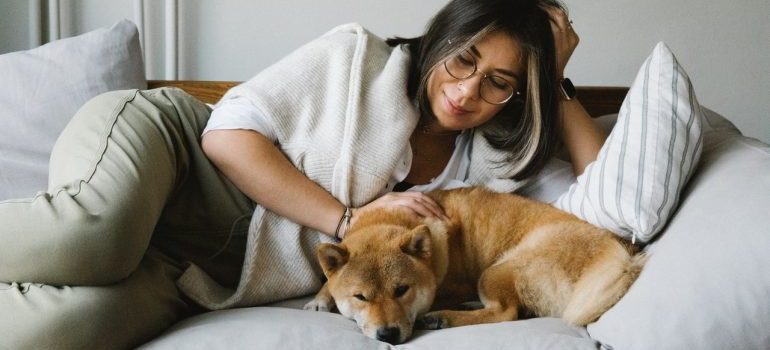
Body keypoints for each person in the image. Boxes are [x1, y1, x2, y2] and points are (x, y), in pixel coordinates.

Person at [0, 0, 604, 348]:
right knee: (94, 237)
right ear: (443, 38)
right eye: (463, 59)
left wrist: (552, 79)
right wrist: (345, 219)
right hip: (176, 160)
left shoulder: (492, 165)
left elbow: (607, 196)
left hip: (202, 272)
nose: (467, 90)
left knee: (47, 334)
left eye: (499, 82)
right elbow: (226, 137)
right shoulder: (356, 58)